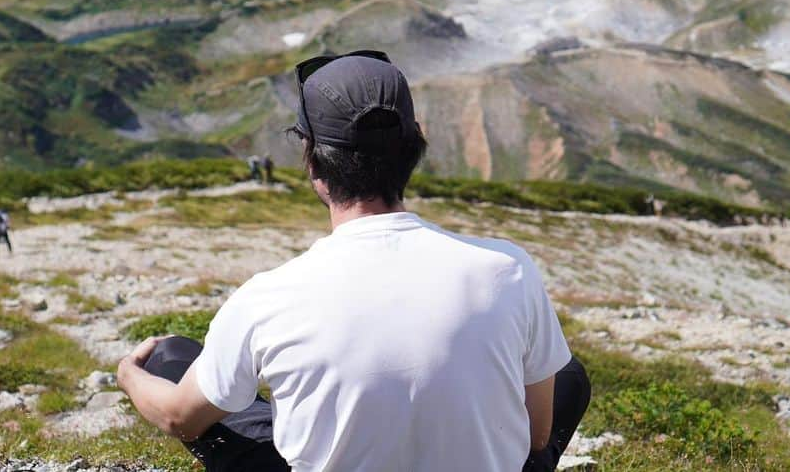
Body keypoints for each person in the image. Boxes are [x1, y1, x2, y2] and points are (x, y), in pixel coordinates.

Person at [118, 50, 590, 472]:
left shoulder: (268, 296)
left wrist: (130, 376)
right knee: (565, 373)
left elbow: (179, 417)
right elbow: (537, 436)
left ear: (314, 165)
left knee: (172, 357)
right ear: (414, 150)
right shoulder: (508, 268)